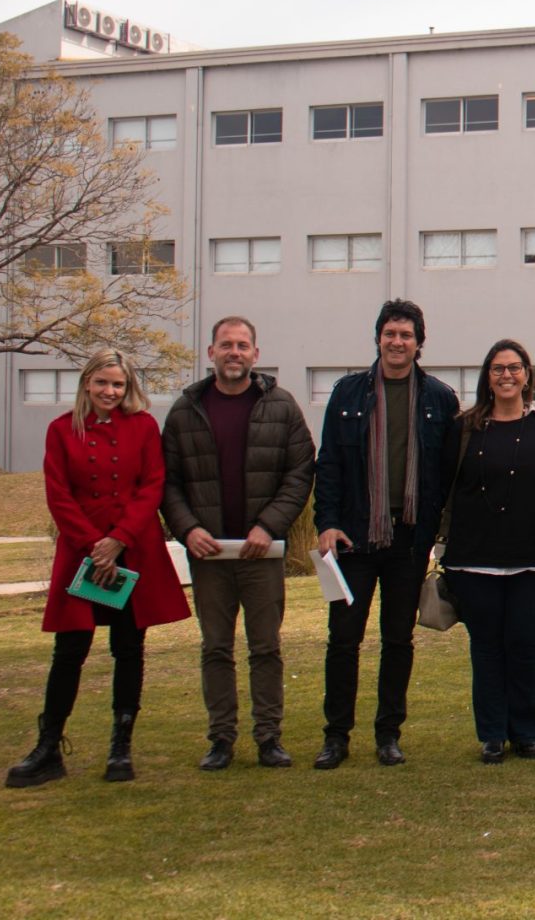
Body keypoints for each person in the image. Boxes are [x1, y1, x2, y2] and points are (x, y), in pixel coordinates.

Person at [6, 350, 191, 788]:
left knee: (129, 649)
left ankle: (120, 748)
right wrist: (94, 545)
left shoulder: (143, 427)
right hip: (82, 554)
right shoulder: (60, 430)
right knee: (70, 651)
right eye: (103, 383)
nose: (110, 392)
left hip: (132, 550)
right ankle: (48, 747)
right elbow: (59, 494)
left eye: (119, 385)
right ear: (86, 382)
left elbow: (152, 485)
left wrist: (118, 539)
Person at [161, 316, 315, 771]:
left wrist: (269, 526)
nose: (234, 352)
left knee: (265, 647)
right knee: (215, 649)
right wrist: (188, 529)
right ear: (211, 353)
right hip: (209, 555)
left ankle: (269, 737)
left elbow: (300, 471)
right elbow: (168, 482)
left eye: (242, 345)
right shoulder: (186, 410)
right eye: (226, 345)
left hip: (259, 553)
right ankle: (221, 740)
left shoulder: (281, 406)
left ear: (256, 354)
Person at [313, 300, 458, 769]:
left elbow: (447, 472)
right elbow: (329, 464)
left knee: (398, 639)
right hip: (354, 536)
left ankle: (388, 733)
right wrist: (326, 523)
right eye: (390, 334)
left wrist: (442, 532)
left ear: (420, 343)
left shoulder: (439, 399)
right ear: (378, 338)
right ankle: (336, 736)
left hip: (409, 540)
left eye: (406, 335)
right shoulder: (347, 394)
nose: (397, 342)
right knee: (344, 639)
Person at [437, 339, 535, 764]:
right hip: (472, 559)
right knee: (487, 648)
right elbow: (444, 489)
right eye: (497, 369)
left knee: (524, 645)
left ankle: (527, 732)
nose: (506, 375)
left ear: (528, 374)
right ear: (486, 377)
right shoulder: (463, 429)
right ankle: (492, 733)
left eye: (514, 368)